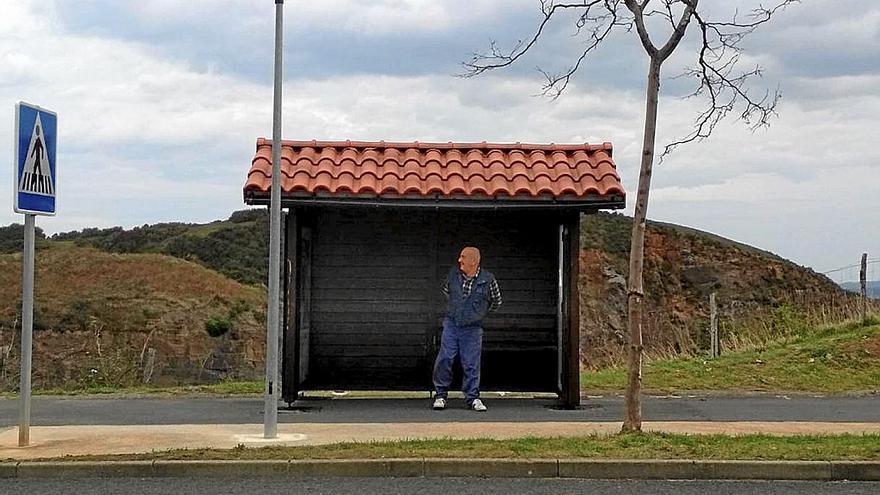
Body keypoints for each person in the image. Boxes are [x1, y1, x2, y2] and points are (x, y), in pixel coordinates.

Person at [432, 246, 502, 412]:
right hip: (452, 324)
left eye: (463, 257)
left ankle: (473, 397)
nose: (459, 260)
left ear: (473, 261)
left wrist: (479, 314)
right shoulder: (453, 276)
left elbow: (497, 302)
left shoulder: (488, 279)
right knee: (445, 358)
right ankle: (440, 395)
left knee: (471, 363)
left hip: (473, 328)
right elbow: (445, 292)